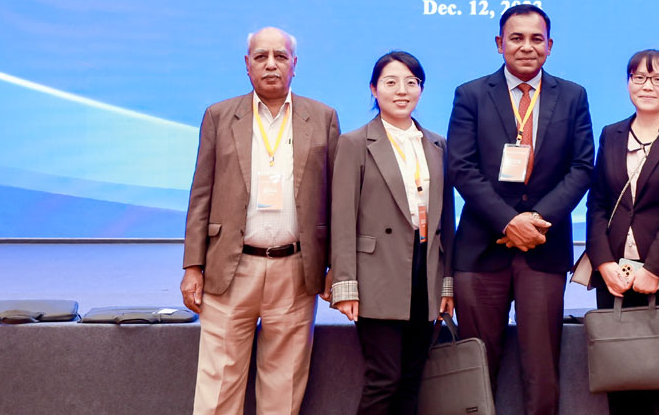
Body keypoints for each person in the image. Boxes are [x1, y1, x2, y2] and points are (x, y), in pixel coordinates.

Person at [180, 27, 341, 415]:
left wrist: (336, 267)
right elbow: (201, 195)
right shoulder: (219, 116)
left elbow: (337, 200)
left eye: (280, 56)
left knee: (283, 388)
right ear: (247, 64)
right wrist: (192, 266)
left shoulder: (323, 117)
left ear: (294, 65)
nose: (271, 64)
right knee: (218, 387)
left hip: (296, 270)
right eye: (261, 56)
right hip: (230, 268)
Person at [446, 4, 594, 415]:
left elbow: (582, 167)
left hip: (544, 249)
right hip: (480, 250)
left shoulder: (573, 96)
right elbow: (461, 167)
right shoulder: (471, 95)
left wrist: (535, 222)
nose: (526, 46)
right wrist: (509, 221)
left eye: (536, 38)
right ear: (499, 44)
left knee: (542, 369)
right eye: (516, 38)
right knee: (476, 367)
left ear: (550, 46)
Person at [330, 51, 456, 414]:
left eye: (411, 83)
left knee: (413, 378)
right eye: (391, 82)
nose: (402, 91)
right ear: (374, 89)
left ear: (421, 90)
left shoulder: (437, 144)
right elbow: (342, 217)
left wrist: (447, 282)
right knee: (384, 377)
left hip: (424, 272)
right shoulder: (355, 142)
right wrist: (345, 284)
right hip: (377, 274)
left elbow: (447, 219)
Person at [584, 49, 659, 415]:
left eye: (658, 79)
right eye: (638, 77)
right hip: (615, 282)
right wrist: (603, 264)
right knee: (620, 389)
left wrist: (653, 269)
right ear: (628, 84)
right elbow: (597, 204)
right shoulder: (611, 134)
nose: (647, 86)